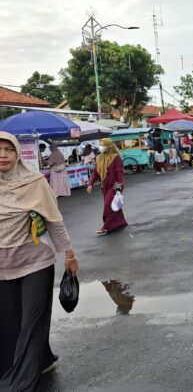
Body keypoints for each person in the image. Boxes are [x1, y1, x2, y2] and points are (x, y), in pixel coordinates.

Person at [0, 132, 79, 392]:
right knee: (10, 322)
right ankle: (40, 358)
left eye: (8, 149)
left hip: (35, 261)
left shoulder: (34, 181)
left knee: (32, 321)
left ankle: (21, 383)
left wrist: (68, 254)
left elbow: (54, 221)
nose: (3, 155)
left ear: (17, 153)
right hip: (2, 266)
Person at [86, 138, 128, 236]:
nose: (100, 147)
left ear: (108, 146)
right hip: (104, 186)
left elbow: (119, 173)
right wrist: (90, 184)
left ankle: (106, 227)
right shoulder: (99, 158)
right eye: (100, 144)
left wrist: (120, 186)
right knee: (114, 204)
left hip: (115, 185)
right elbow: (96, 173)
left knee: (108, 205)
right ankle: (120, 222)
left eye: (102, 145)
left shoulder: (115, 157)